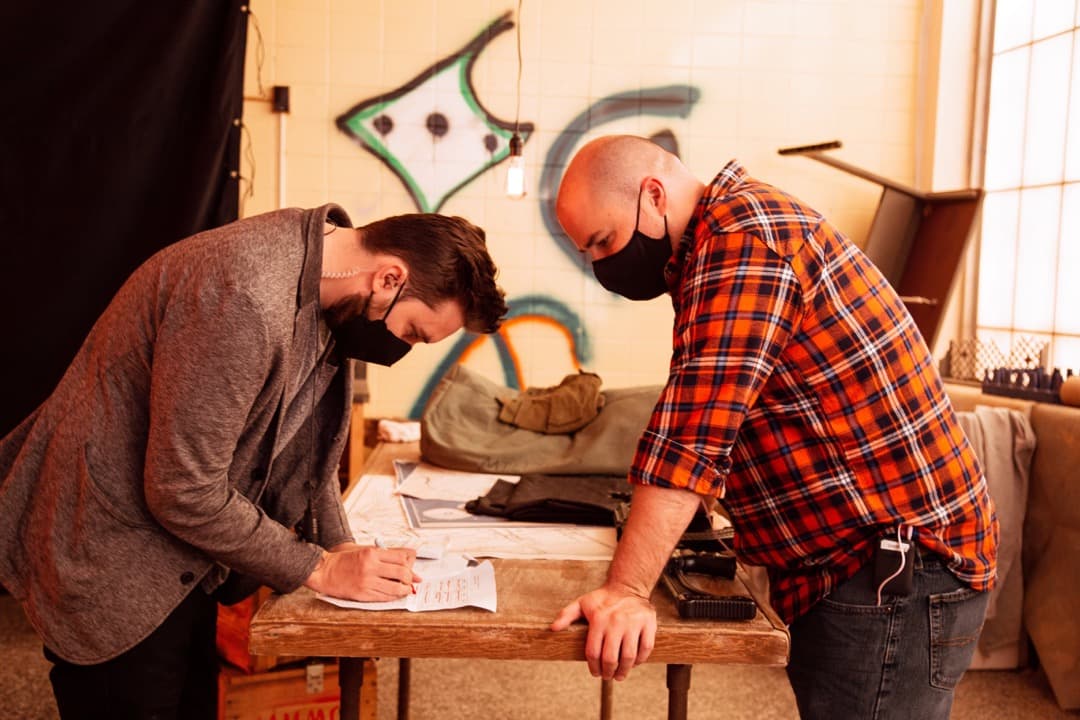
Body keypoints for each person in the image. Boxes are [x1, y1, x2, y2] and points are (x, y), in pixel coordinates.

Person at [549, 134, 997, 719]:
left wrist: (627, 591)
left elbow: (693, 433)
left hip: (896, 572)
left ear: (653, 195)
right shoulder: (720, 243)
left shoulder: (744, 243)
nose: (603, 263)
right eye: (589, 252)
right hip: (860, 563)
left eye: (604, 240)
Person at [0, 204, 507, 719]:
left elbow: (310, 455)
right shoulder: (243, 296)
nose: (405, 348)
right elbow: (183, 490)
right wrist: (321, 568)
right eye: (415, 333)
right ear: (389, 277)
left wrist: (344, 548)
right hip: (112, 552)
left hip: (185, 555)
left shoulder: (330, 289)